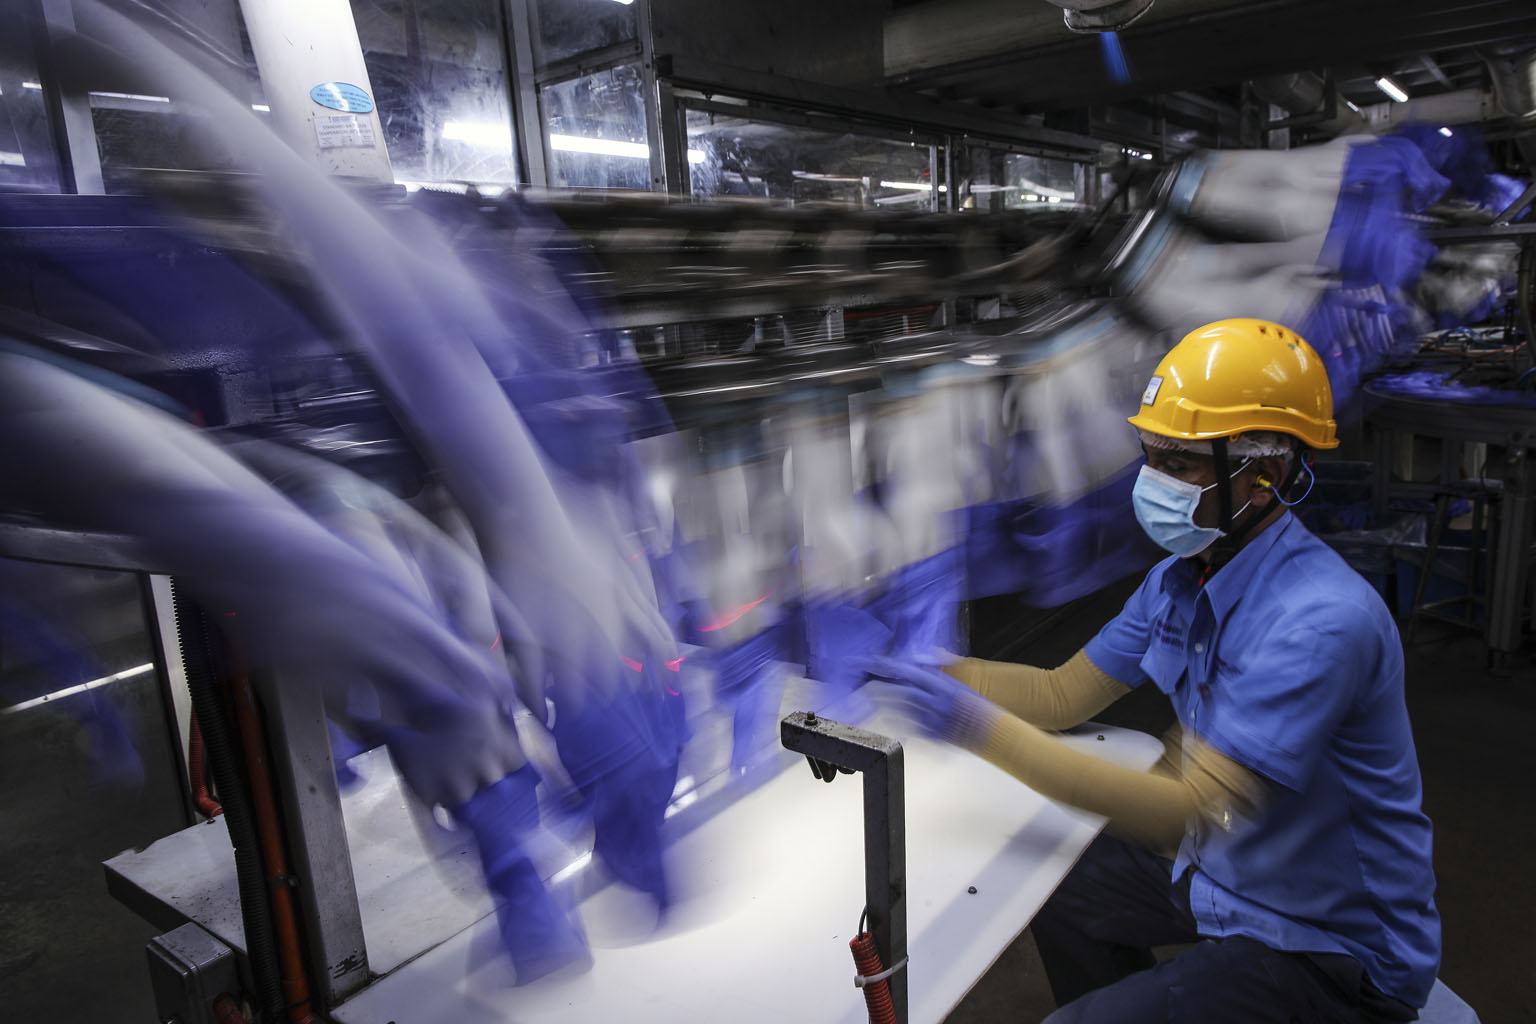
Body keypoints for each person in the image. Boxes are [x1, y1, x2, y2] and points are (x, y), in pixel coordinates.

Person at [863, 318, 1439, 1022]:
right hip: (1228, 879)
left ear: (1266, 477)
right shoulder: (1180, 580)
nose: (1151, 482)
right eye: (1150, 457)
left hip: (1327, 949)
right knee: (1054, 890)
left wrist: (969, 725)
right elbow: (1060, 694)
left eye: (1181, 463)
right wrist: (927, 670)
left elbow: (1185, 803)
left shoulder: (1320, 622)